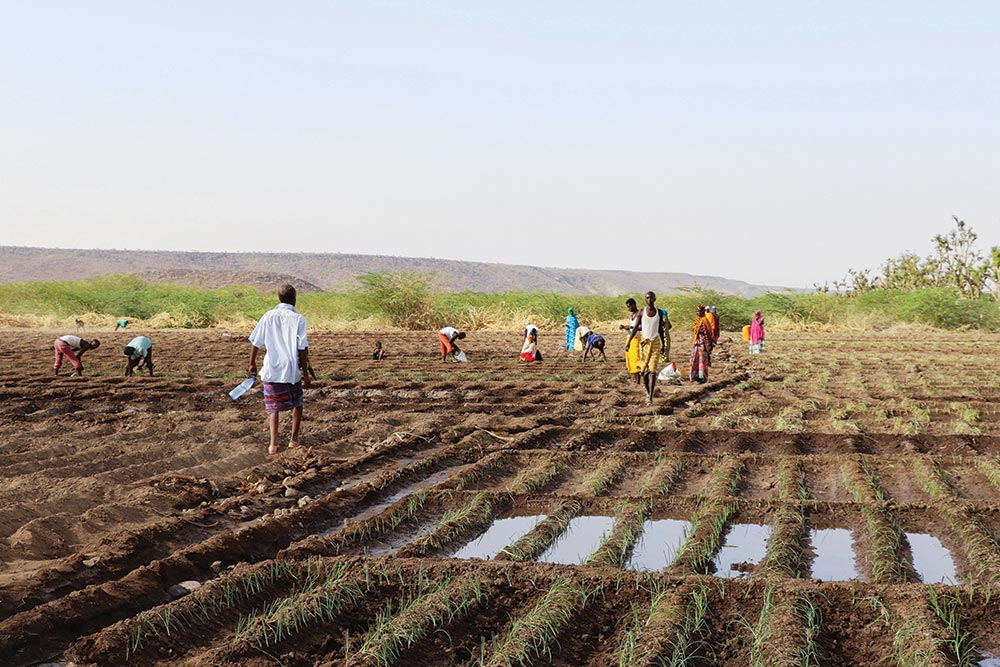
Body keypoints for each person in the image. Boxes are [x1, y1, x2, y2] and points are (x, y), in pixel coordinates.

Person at [248, 284, 311, 455]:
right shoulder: (299, 319)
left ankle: (273, 445)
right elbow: (302, 349)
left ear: (279, 298)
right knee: (297, 404)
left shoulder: (268, 316)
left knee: (273, 408)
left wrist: (252, 363)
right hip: (291, 370)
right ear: (294, 299)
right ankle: (293, 440)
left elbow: (255, 342)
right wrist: (305, 373)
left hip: (272, 368)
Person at [624, 291, 665, 405]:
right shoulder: (641, 312)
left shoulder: (659, 312)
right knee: (644, 372)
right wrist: (629, 342)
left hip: (655, 343)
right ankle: (648, 392)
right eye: (647, 298)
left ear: (655, 299)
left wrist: (664, 345)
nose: (649, 300)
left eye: (651, 298)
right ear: (645, 300)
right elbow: (635, 328)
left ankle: (650, 398)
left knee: (652, 371)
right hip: (644, 344)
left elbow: (660, 329)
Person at [619, 298, 641, 384]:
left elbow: (639, 327)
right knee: (631, 359)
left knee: (636, 359)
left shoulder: (640, 315)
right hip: (630, 338)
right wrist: (625, 327)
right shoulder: (632, 315)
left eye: (629, 307)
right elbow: (632, 326)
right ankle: (635, 379)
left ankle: (638, 380)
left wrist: (630, 327)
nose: (628, 309)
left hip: (636, 339)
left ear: (634, 305)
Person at [690, 305, 713, 383]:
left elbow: (710, 332)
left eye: (700, 311)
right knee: (694, 360)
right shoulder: (697, 321)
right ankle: (695, 376)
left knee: (702, 361)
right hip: (696, 343)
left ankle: (702, 377)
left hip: (703, 343)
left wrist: (708, 342)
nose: (698, 313)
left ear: (703, 312)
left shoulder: (705, 320)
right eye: (697, 311)